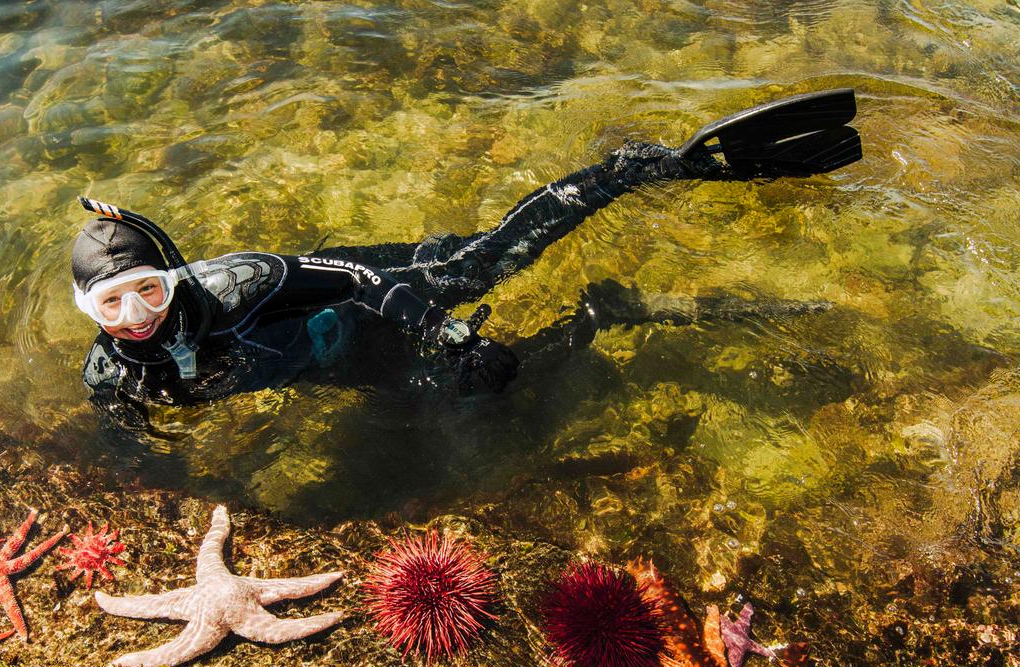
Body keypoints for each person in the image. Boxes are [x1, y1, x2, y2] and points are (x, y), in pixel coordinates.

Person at [72, 89, 862, 438]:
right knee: (465, 402)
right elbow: (128, 421)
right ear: (91, 314)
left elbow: (363, 282)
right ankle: (600, 314)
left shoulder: (238, 283)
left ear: (171, 278)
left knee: (482, 264)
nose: (138, 314)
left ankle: (634, 168)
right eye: (114, 305)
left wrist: (452, 331)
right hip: (334, 358)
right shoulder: (113, 378)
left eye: (147, 289)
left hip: (378, 295)